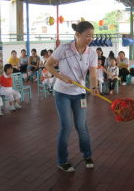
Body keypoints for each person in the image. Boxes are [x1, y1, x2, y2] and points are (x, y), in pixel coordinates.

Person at [45, 21, 98, 172]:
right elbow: (48, 65)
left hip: (80, 93)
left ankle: (87, 155)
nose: (90, 38)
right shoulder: (64, 49)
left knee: (81, 126)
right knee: (66, 127)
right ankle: (62, 161)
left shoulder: (92, 53)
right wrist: (60, 76)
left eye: (92, 36)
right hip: (62, 93)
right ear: (77, 35)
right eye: (87, 35)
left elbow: (93, 74)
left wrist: (94, 86)